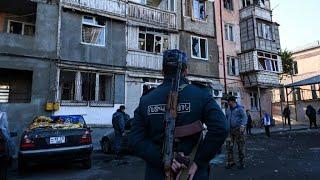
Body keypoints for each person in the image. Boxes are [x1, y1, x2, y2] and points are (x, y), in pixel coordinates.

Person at [129, 49, 228, 180]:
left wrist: (164, 160)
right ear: (186, 71)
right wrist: (199, 161)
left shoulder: (146, 100)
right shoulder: (201, 94)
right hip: (191, 173)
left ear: (162, 72)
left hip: (157, 173)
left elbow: (135, 140)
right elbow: (221, 128)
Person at [225, 96, 247, 169]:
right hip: (230, 131)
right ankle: (231, 162)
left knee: (240, 147)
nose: (228, 103)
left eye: (229, 101)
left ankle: (242, 163)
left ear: (233, 101)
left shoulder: (239, 108)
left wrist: (243, 125)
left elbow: (244, 117)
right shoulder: (228, 110)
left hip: (239, 130)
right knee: (228, 146)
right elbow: (226, 118)